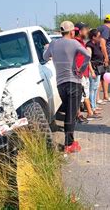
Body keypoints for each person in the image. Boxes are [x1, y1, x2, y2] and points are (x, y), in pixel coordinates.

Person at [43, 21, 91, 153]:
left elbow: (45, 57)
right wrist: (81, 69)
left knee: (69, 113)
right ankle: (69, 144)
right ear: (72, 32)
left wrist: (47, 49)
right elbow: (88, 55)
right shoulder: (74, 43)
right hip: (74, 81)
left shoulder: (53, 44)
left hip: (60, 84)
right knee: (71, 114)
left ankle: (70, 141)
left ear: (60, 31)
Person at [74, 22, 101, 121]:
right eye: (85, 29)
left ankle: (89, 112)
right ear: (80, 31)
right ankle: (80, 114)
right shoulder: (75, 43)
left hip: (84, 72)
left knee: (85, 93)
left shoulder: (81, 42)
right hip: (79, 73)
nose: (87, 31)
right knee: (80, 94)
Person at [97, 14, 110, 104]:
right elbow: (102, 43)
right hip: (104, 57)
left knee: (104, 77)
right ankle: (97, 98)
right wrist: (106, 57)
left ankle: (105, 96)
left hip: (102, 57)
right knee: (102, 77)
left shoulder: (100, 28)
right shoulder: (106, 29)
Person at [86, 29, 105, 114]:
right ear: (93, 37)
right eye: (99, 36)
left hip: (99, 68)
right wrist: (92, 71)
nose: (100, 38)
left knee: (95, 87)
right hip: (93, 69)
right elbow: (88, 60)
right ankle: (92, 107)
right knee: (92, 89)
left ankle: (94, 105)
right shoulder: (89, 46)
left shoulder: (97, 44)